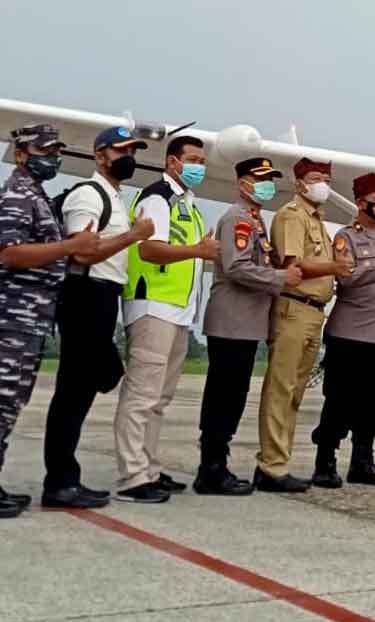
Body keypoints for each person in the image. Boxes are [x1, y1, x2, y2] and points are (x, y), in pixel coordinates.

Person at [42, 126, 155, 508]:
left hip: (104, 296)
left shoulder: (115, 198)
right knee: (73, 392)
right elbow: (82, 253)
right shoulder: (88, 196)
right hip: (85, 294)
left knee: (91, 383)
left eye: (133, 150)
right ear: (99, 154)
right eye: (121, 150)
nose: (129, 156)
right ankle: (59, 480)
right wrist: (134, 235)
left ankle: (63, 475)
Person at [112, 136, 219, 504]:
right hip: (152, 305)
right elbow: (148, 247)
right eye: (192, 159)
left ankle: (149, 468)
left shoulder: (189, 205)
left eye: (202, 160)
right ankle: (131, 476)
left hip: (178, 311)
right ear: (172, 161)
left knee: (160, 396)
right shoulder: (158, 197)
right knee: (142, 394)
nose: (199, 166)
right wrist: (198, 251)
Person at [0, 124, 100, 518]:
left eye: (56, 150)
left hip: (31, 318)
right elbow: (10, 254)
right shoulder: (16, 196)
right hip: (11, 316)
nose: (52, 157)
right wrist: (71, 246)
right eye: (43, 150)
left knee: (10, 404)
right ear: (21, 154)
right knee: (1, 402)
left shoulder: (35, 195)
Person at [196, 157, 301, 495]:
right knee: (223, 396)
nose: (268, 185)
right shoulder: (238, 220)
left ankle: (216, 465)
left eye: (270, 179)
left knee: (233, 395)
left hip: (245, 323)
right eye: (261, 179)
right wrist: (282, 278)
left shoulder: (255, 221)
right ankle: (211, 469)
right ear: (243, 183)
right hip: (232, 321)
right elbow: (238, 267)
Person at [256, 158, 350, 491]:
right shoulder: (291, 217)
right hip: (294, 309)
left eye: (326, 178)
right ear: (299, 184)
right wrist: (335, 268)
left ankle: (278, 461)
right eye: (315, 178)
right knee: (281, 390)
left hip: (314, 312)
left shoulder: (318, 221)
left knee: (294, 393)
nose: (322, 183)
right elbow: (295, 264)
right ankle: (271, 466)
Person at [310, 172, 375, 488]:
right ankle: (325, 460)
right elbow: (345, 277)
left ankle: (363, 459)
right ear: (360, 203)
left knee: (371, 401)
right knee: (338, 400)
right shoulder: (346, 238)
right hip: (349, 333)